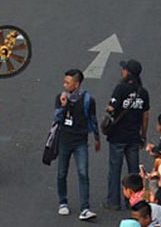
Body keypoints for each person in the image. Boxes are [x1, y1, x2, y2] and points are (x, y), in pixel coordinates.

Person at [54, 69, 99, 221]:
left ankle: (85, 208)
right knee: (62, 172)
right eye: (64, 82)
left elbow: (93, 119)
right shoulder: (60, 97)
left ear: (77, 84)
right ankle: (63, 202)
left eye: (68, 82)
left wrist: (97, 138)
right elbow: (57, 118)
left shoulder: (88, 100)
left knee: (83, 173)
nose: (64, 85)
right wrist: (63, 106)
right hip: (64, 141)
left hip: (80, 141)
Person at [104, 60, 150, 211]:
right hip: (133, 137)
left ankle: (113, 202)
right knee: (134, 172)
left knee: (115, 170)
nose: (122, 71)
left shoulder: (120, 88)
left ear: (128, 72)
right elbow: (145, 116)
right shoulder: (143, 92)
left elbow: (111, 108)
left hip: (117, 136)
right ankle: (135, 202)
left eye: (124, 69)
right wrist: (143, 135)